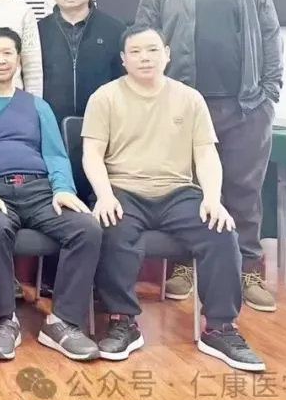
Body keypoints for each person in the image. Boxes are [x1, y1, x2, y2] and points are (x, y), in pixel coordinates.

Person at [81, 24, 265, 372]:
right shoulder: (104, 97)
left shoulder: (189, 98)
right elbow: (92, 154)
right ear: (123, 59)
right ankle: (122, 321)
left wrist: (212, 198)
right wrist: (103, 195)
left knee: (221, 231)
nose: (144, 58)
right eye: (135, 51)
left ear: (167, 54)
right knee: (111, 229)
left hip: (178, 191)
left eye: (152, 50)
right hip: (123, 190)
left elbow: (206, 154)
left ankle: (220, 328)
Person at [136, 0, 282, 312]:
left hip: (244, 106)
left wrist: (269, 92)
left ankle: (248, 270)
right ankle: (185, 265)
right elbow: (142, 43)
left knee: (243, 190)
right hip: (182, 109)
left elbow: (270, 36)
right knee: (186, 189)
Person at [0, 26, 101, 362]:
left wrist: (62, 189)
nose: (1, 60)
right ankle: (4, 320)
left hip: (40, 190)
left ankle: (62, 322)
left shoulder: (37, 105)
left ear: (18, 59)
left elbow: (56, 155)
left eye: (7, 53)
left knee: (87, 228)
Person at [38, 0, 125, 197]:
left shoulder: (114, 29)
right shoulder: (39, 30)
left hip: (104, 125)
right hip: (52, 125)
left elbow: (123, 79)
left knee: (100, 192)